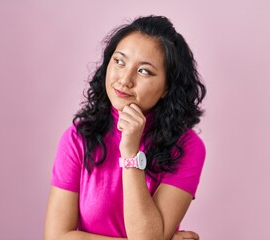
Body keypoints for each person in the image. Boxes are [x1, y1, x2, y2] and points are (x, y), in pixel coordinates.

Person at [45, 15, 206, 240]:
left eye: (144, 71)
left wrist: (130, 154)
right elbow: (56, 237)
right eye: (119, 61)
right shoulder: (78, 138)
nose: (125, 79)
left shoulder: (187, 147)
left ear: (167, 87)